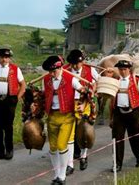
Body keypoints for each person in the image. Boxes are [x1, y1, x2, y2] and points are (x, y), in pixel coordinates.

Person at [42, 55, 85, 185]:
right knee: (53, 148)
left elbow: (83, 91)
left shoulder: (70, 79)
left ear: (60, 68)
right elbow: (43, 96)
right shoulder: (45, 80)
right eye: (50, 72)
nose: (52, 74)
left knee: (62, 145)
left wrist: (82, 104)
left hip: (67, 116)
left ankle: (62, 176)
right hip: (52, 117)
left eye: (54, 71)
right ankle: (56, 175)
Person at [63, 49, 100, 174]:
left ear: (82, 62)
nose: (75, 66)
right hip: (69, 104)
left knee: (84, 132)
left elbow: (98, 81)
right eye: (73, 63)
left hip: (85, 103)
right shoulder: (66, 70)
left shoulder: (90, 70)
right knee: (70, 134)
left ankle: (84, 156)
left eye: (77, 63)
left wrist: (94, 89)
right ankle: (70, 164)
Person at [110, 60, 139, 172]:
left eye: (125, 69)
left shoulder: (136, 81)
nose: (122, 72)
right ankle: (117, 164)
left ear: (129, 70)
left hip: (133, 112)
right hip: (118, 113)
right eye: (120, 69)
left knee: (135, 138)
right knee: (117, 139)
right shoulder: (115, 81)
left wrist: (138, 111)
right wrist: (111, 118)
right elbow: (112, 100)